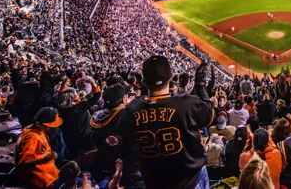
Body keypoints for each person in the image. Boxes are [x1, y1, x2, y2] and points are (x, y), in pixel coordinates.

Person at [118, 56, 214, 189]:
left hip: (154, 182)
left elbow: (126, 143)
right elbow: (209, 116)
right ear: (171, 77)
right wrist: (201, 86)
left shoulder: (131, 109)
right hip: (191, 180)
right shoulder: (187, 104)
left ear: (144, 82)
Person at [15, 106, 63, 188]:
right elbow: (24, 164)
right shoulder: (32, 138)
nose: (49, 128)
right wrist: (45, 159)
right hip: (40, 179)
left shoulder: (36, 130)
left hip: (49, 172)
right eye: (47, 126)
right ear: (37, 123)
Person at [90, 83, 128, 182]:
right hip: (116, 164)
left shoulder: (97, 112)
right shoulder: (124, 116)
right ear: (123, 99)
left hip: (99, 159)